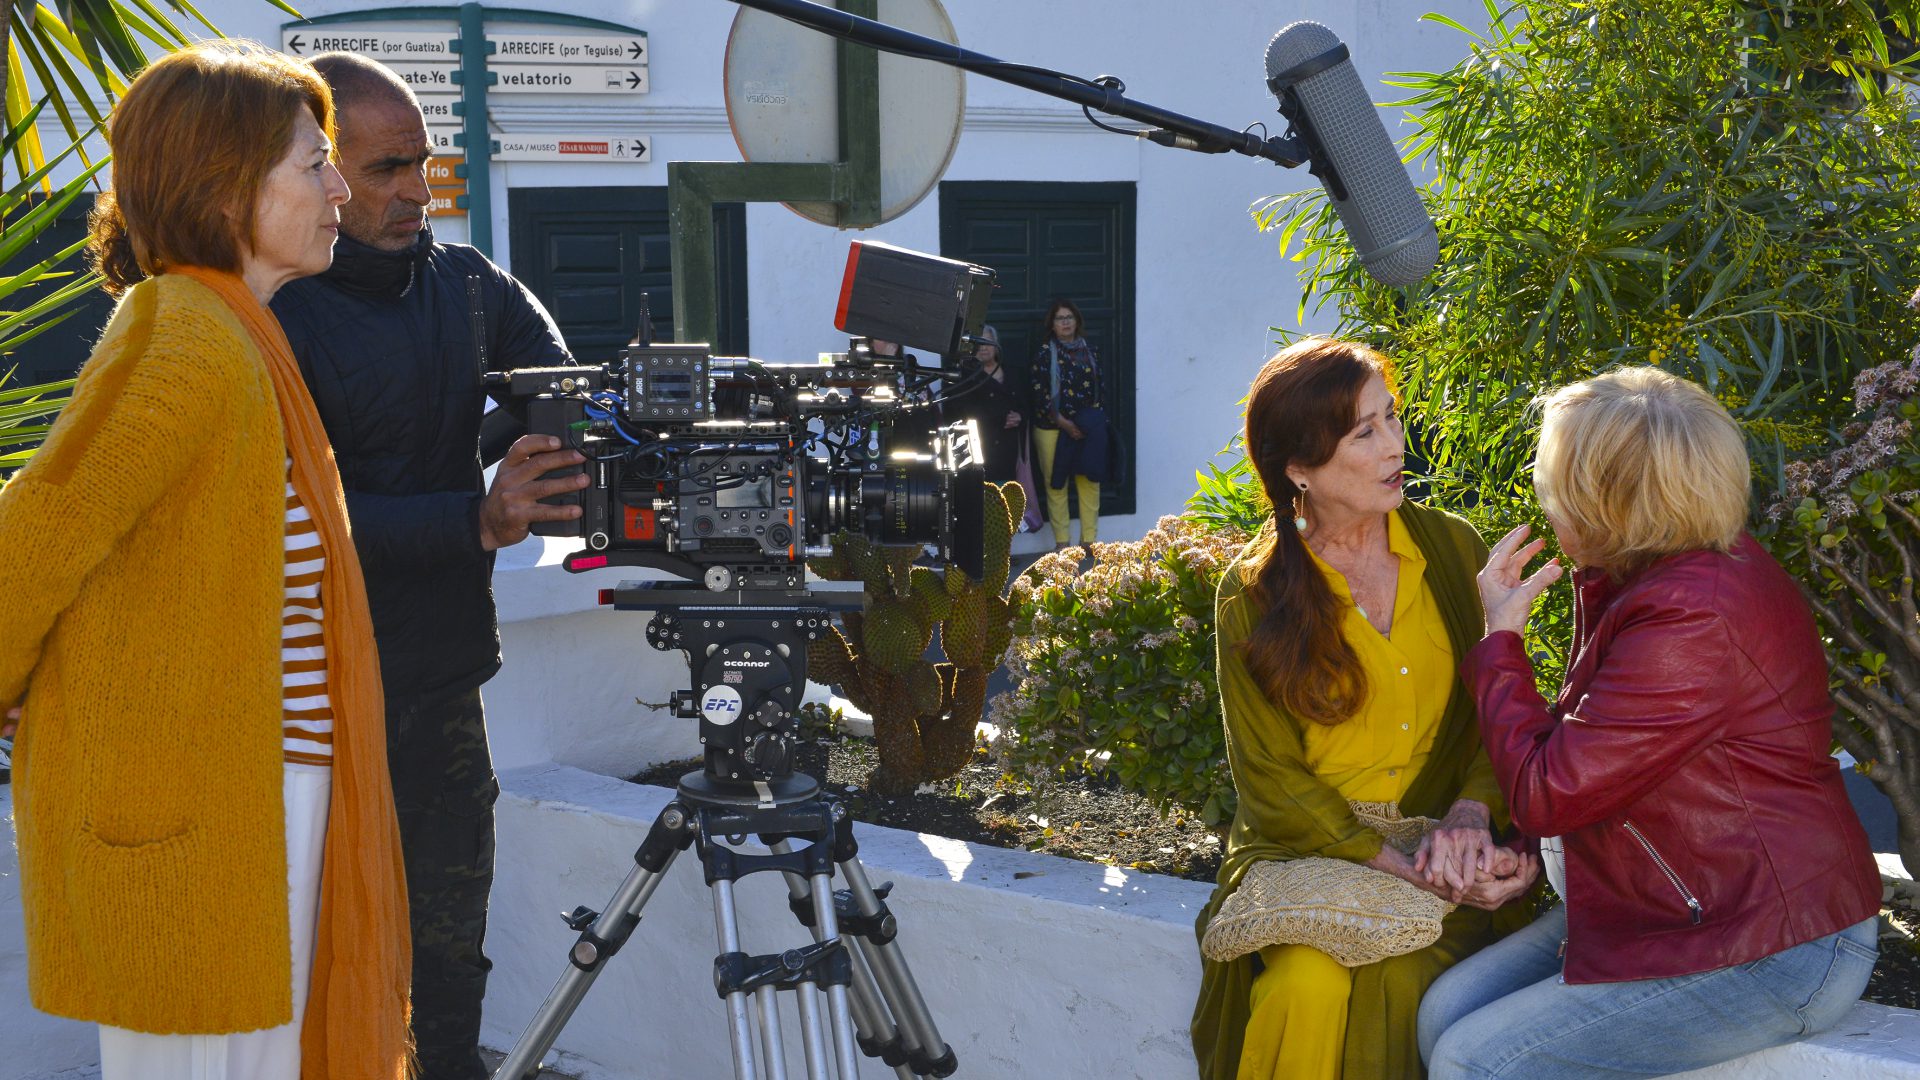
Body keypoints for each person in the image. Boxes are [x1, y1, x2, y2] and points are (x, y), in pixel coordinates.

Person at [0, 42, 409, 1080]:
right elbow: (36, 537)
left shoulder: (229, 333)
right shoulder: (185, 337)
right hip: (208, 820)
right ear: (225, 189)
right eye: (313, 165)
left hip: (255, 802)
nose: (338, 189)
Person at [1419, 367, 1882, 1079]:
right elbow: (1596, 758)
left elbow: (1549, 790)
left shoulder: (1691, 615)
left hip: (1771, 944)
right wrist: (1523, 852)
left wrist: (1500, 642)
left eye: (1556, 484)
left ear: (1608, 502)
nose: (1545, 498)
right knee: (1444, 1013)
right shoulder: (1654, 578)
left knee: (1474, 1062)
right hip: (1674, 905)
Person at [268, 51, 587, 1080]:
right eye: (386, 168)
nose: (418, 190)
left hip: (442, 682)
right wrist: (472, 514)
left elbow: (559, 387)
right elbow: (284, 521)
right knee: (314, 951)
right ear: (319, 172)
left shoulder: (468, 283)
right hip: (311, 697)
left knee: (450, 946)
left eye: (424, 163)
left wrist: (492, 454)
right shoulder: (266, 308)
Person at [1190, 338, 1537, 1080]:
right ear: (1299, 469)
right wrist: (1396, 865)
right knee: (1303, 985)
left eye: (1392, 418)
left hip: (1444, 850)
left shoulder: (1451, 549)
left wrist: (1470, 818)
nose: (1394, 446)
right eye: (1364, 433)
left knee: (1399, 981)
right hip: (1311, 851)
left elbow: (1494, 713)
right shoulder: (1252, 593)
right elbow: (1270, 779)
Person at [1028, 298, 1105, 548]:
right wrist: (1063, 422)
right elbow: (1039, 393)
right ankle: (1062, 542)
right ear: (1052, 324)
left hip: (1086, 429)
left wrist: (1089, 424)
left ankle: (1089, 541)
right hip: (1051, 427)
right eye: (1060, 318)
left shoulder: (1091, 351)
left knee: (1089, 481)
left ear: (1076, 321)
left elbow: (1100, 389)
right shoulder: (1043, 353)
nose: (1065, 322)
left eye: (1069, 317)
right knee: (1056, 484)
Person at [941, 324, 1025, 484]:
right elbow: (960, 410)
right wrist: (1001, 418)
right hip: (978, 448)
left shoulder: (1013, 371)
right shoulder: (961, 376)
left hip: (1009, 450)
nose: (983, 348)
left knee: (1007, 494)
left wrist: (1020, 416)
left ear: (996, 345)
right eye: (978, 344)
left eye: (987, 342)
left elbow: (1025, 403)